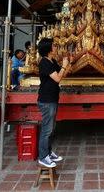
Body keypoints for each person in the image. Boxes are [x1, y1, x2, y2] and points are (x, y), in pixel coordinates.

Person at [37, 38, 70, 168]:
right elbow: (57, 78)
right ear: (48, 49)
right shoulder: (44, 62)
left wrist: (68, 64)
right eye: (54, 46)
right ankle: (43, 157)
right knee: (46, 130)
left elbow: (63, 75)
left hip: (52, 98)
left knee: (51, 128)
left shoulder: (52, 61)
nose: (56, 48)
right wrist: (63, 65)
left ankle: (48, 153)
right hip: (46, 100)